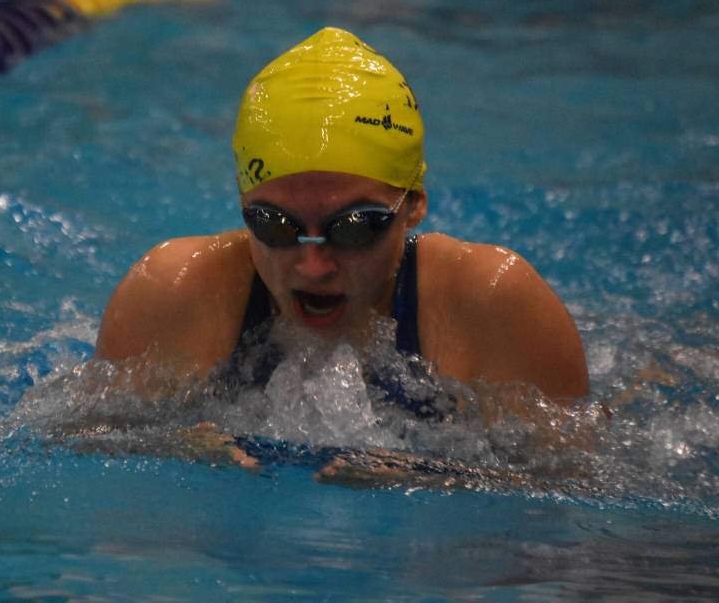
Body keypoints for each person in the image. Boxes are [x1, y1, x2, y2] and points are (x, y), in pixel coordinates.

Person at [94, 27, 588, 418]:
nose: (312, 265)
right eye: (275, 225)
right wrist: (184, 454)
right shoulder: (171, 294)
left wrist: (437, 478)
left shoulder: (492, 303)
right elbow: (88, 451)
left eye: (353, 227)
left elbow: (577, 495)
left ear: (413, 205)